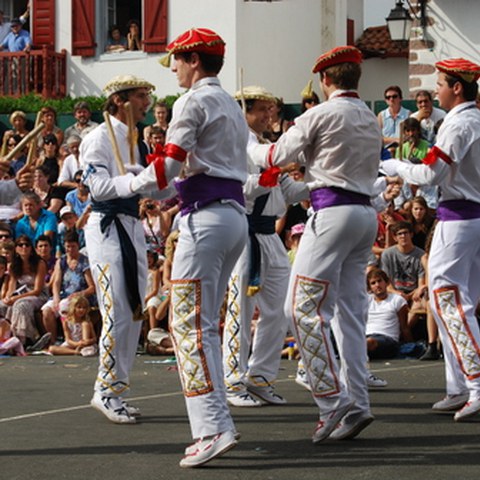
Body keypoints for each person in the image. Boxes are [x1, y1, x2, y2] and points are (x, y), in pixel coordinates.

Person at [128, 28, 249, 467]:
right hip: (230, 214)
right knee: (202, 325)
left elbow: (169, 168)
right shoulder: (230, 106)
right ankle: (217, 423)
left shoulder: (192, 101)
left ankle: (212, 428)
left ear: (193, 60)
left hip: (206, 218)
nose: (173, 69)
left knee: (188, 325)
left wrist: (125, 184)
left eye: (177, 60)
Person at [247, 45, 381, 442]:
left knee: (299, 308)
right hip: (362, 215)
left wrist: (243, 139)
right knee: (349, 314)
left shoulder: (320, 114)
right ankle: (357, 402)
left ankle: (330, 398)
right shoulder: (370, 118)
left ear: (326, 80)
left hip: (333, 215)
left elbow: (273, 154)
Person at [381, 57, 480, 421]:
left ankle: (475, 382)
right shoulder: (471, 120)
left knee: (448, 300)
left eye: (440, 83)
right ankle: (460, 386)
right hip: (468, 218)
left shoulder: (459, 123)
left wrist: (396, 167)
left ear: (457, 87)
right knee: (455, 300)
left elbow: (431, 173)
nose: (434, 89)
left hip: (459, 218)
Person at [222, 85, 309, 408]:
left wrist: (322, 182)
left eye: (270, 109)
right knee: (240, 310)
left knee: (279, 310)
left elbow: (288, 191)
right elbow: (239, 189)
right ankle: (232, 378)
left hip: (270, 237)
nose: (268, 115)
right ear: (243, 111)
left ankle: (261, 377)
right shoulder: (233, 147)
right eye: (261, 109)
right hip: (244, 235)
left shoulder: (266, 147)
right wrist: (271, 176)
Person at [79, 73, 157, 425]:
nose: (147, 104)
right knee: (115, 310)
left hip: (131, 226)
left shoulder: (136, 140)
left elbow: (147, 187)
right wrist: (135, 180)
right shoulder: (96, 138)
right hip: (106, 229)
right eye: (141, 96)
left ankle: (117, 389)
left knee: (131, 312)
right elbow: (97, 188)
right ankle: (104, 390)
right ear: (119, 101)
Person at [41, 230, 95, 345]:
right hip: (64, 295)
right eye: (67, 247)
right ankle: (53, 340)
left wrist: (79, 294)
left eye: (73, 246)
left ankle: (69, 339)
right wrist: (55, 297)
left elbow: (91, 287)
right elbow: (56, 282)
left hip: (80, 297)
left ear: (78, 246)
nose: (70, 249)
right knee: (47, 311)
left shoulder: (84, 262)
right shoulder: (62, 261)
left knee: (65, 307)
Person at [0, 235, 48, 347]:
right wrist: (8, 298)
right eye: (20, 245)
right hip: (19, 295)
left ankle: (24, 339)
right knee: (2, 305)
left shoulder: (39, 264)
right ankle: (4, 338)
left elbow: (37, 290)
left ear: (31, 248)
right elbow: (11, 287)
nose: (24, 247)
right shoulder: (13, 266)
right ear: (16, 249)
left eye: (27, 245)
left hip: (38, 295)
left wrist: (15, 298)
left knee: (21, 305)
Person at [366, 268, 410, 360]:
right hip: (366, 336)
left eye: (379, 281)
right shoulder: (366, 301)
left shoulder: (397, 300)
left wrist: (410, 344)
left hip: (387, 339)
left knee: (369, 342)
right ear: (370, 288)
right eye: (373, 283)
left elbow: (404, 328)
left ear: (386, 282)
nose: (377, 285)